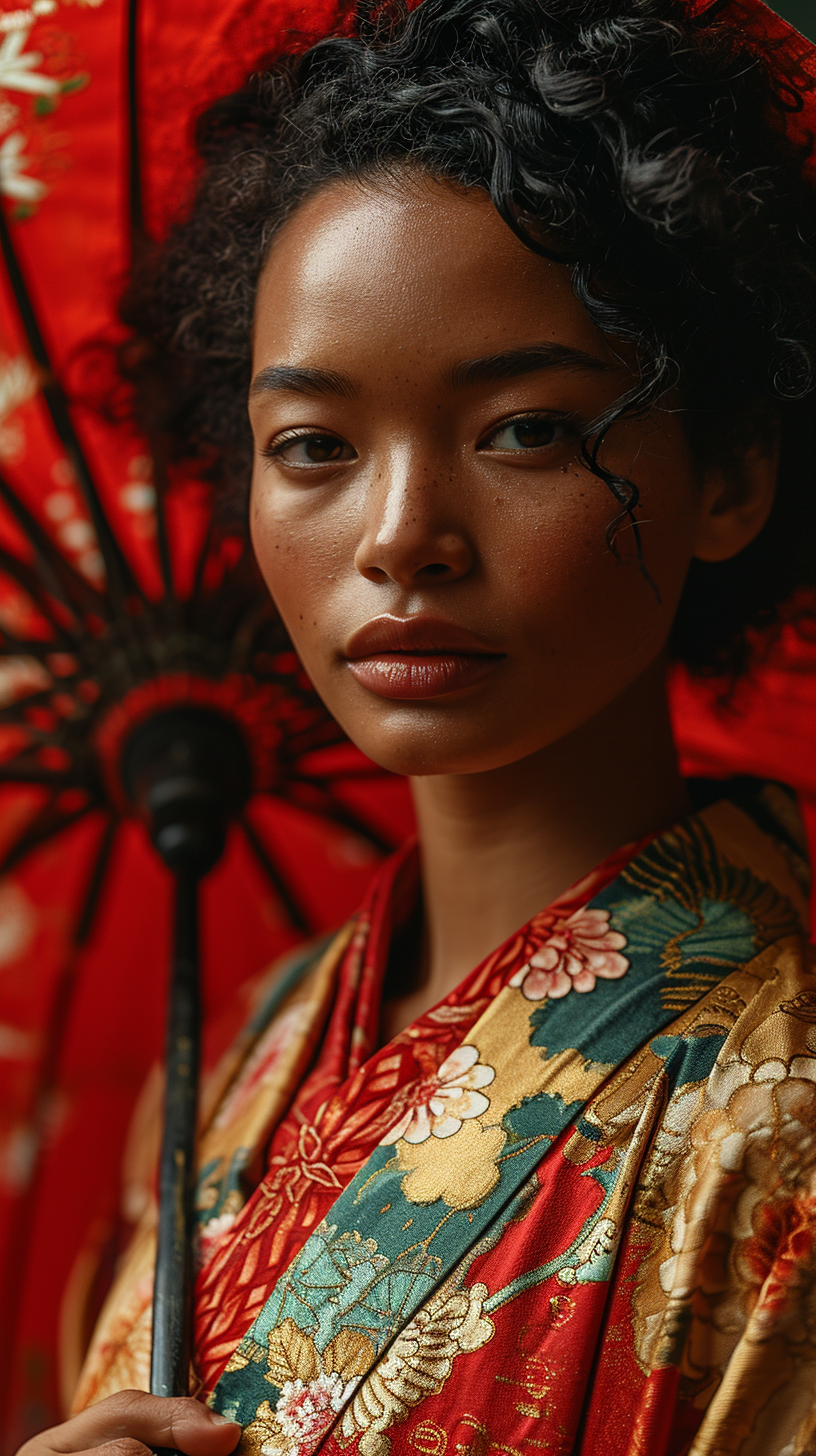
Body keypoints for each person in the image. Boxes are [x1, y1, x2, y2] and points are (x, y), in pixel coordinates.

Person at [18, 0, 816, 1452]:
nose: (400, 539)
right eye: (313, 447)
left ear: (733, 470)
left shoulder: (786, 1117)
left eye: (522, 427)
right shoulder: (238, 1069)